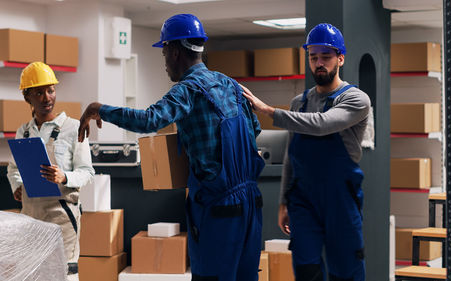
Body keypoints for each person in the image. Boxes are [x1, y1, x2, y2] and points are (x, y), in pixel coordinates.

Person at [77, 14, 265, 281]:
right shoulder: (231, 85)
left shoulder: (187, 90)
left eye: (164, 52)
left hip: (219, 209)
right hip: (252, 205)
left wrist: (100, 109)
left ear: (175, 51)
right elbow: (253, 130)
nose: (164, 62)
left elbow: (149, 120)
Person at [242, 23, 371, 281]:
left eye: (326, 56)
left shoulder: (356, 99)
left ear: (340, 58)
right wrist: (283, 201)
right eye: (313, 57)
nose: (319, 63)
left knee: (346, 270)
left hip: (340, 200)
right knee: (305, 269)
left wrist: (268, 111)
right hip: (303, 201)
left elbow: (322, 125)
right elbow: (292, 154)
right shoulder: (298, 103)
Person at [7, 61, 95, 280]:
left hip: (62, 218)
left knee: (64, 275)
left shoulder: (74, 127)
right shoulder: (23, 132)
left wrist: (64, 176)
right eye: (39, 93)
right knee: (34, 274)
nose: (46, 98)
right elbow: (13, 168)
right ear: (27, 97)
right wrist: (17, 185)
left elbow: (87, 172)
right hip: (31, 218)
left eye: (50, 90)